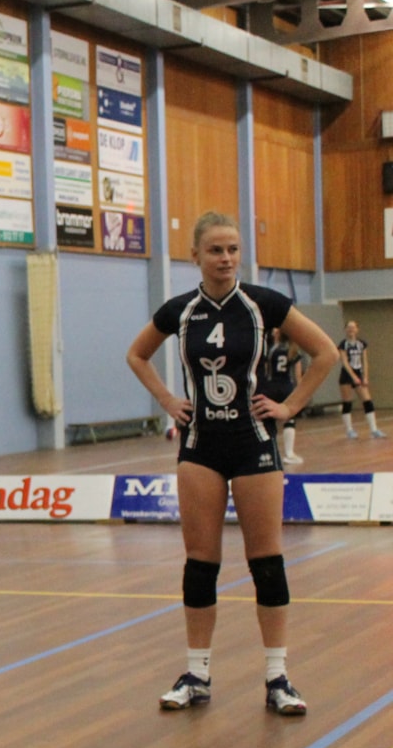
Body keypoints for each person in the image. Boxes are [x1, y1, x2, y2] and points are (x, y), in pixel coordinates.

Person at [125, 211, 337, 715]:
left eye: (233, 250)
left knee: (267, 562)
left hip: (253, 443)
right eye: (216, 250)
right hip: (200, 445)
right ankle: (196, 674)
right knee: (201, 564)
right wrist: (167, 401)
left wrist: (288, 406)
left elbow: (325, 353)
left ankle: (278, 677)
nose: (225, 258)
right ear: (195, 255)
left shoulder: (263, 303)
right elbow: (137, 355)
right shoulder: (180, 310)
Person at [262, 329, 305, 465]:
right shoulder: (293, 350)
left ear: (278, 334)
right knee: (289, 419)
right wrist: (301, 395)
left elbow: (265, 370)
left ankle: (268, 453)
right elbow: (298, 376)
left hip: (271, 387)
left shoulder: (270, 350)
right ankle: (289, 453)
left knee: (267, 420)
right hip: (287, 387)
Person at [337, 320, 386, 439]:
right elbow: (344, 362)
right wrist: (353, 377)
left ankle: (374, 429)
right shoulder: (343, 344)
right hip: (347, 375)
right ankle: (349, 430)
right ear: (345, 330)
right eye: (349, 327)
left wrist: (365, 376)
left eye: (353, 327)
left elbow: (365, 361)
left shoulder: (361, 344)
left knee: (367, 400)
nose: (351, 330)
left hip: (358, 373)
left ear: (357, 329)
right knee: (347, 402)